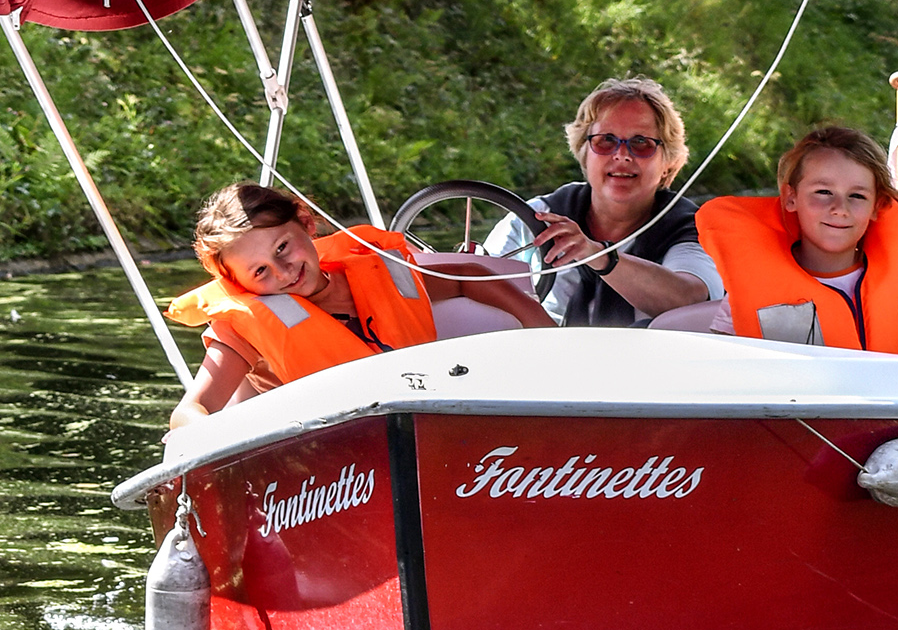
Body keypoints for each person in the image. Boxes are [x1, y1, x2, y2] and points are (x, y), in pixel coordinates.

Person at [164, 181, 551, 431]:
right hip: (324, 466)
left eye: (283, 247)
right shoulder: (242, 327)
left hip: (423, 429)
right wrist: (206, 435)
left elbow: (468, 274)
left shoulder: (378, 277)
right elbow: (189, 411)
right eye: (260, 271)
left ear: (307, 223)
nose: (283, 271)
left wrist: (547, 332)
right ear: (236, 282)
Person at [694, 122, 898, 354]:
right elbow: (724, 367)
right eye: (823, 192)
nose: (840, 208)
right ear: (791, 198)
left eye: (857, 196)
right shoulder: (747, 289)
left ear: (876, 207)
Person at [496, 76, 725, 326]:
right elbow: (478, 286)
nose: (622, 155)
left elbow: (691, 300)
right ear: (584, 153)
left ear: (667, 163)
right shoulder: (534, 218)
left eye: (641, 143)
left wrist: (599, 256)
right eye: (606, 140)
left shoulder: (694, 229)